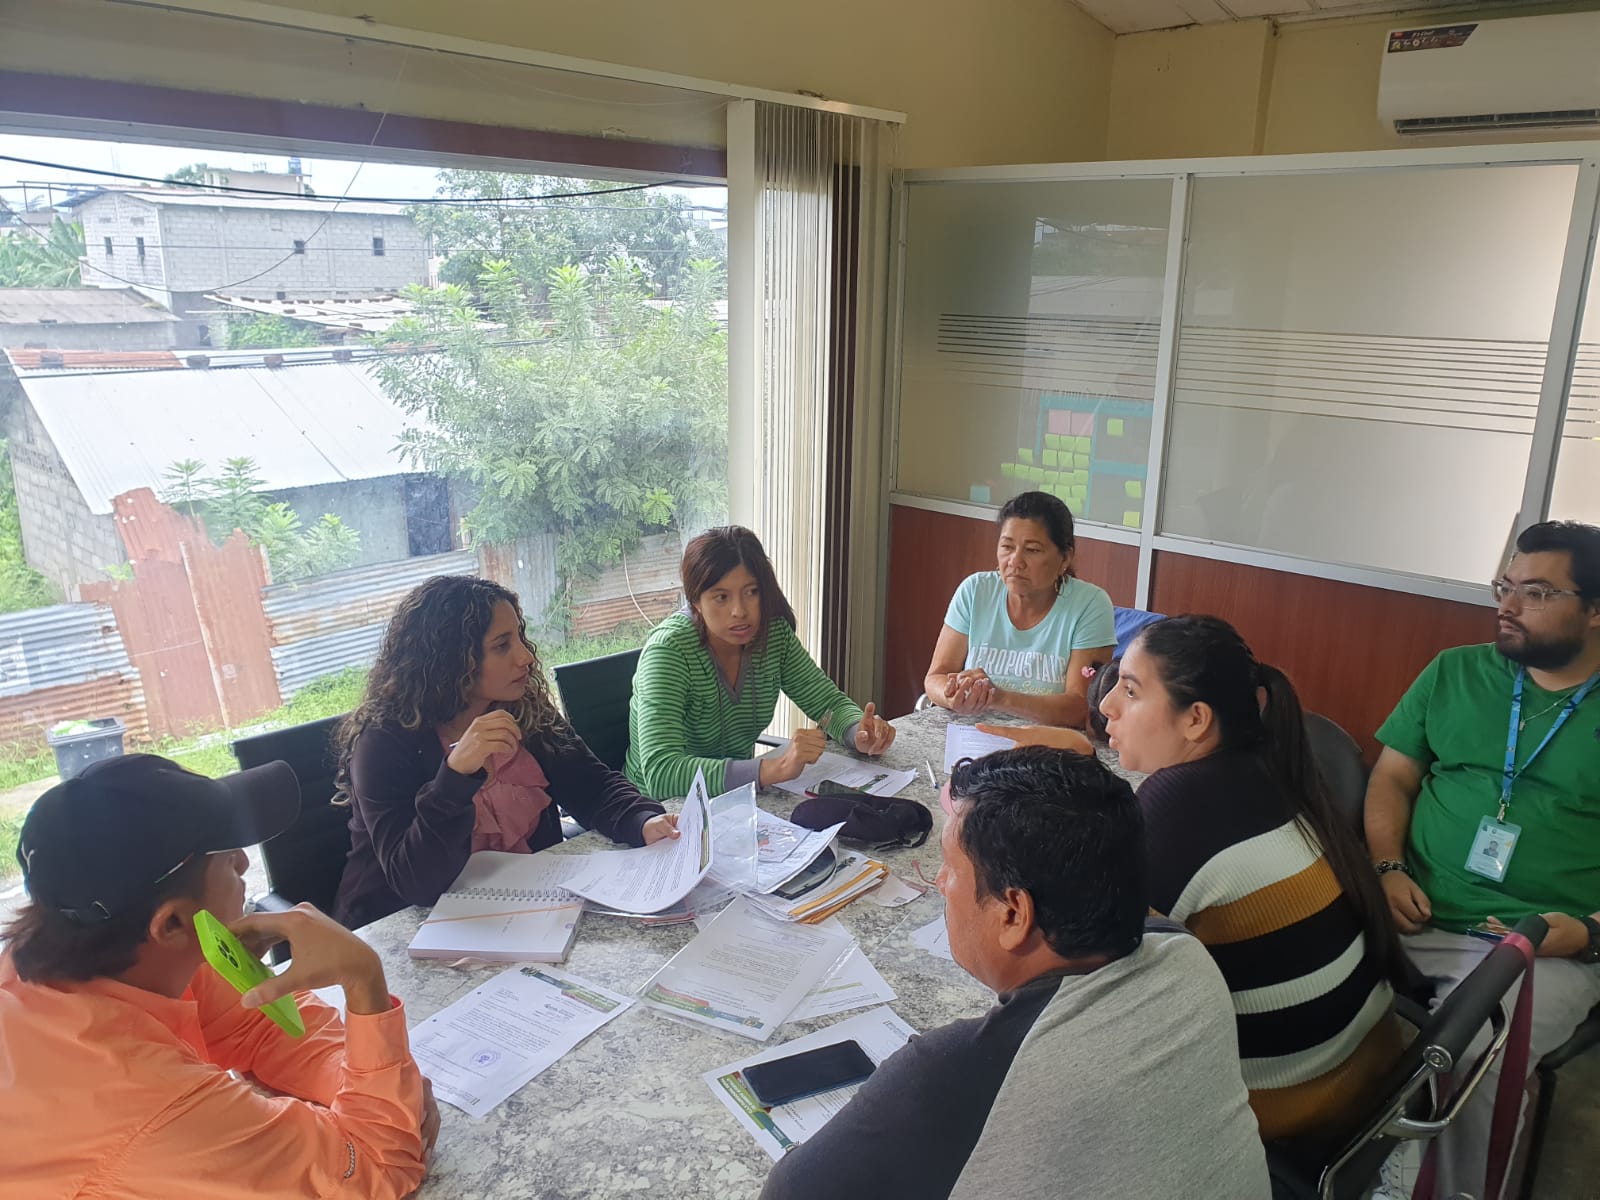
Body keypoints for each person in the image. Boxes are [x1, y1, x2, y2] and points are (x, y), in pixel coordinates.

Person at [760, 747, 1270, 1200]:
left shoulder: (951, 1076)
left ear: (1013, 914)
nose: (940, 882)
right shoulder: (1188, 956)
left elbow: (788, 1192)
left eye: (952, 868)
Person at [0, 754, 435, 1200]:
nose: (244, 863)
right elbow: (381, 1164)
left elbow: (256, 1026)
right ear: (171, 923)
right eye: (226, 857)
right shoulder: (154, 1113)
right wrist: (363, 979)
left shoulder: (77, 952)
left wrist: (371, 1084)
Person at [1089, 615, 1403, 1141]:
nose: (1106, 706)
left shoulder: (1177, 804)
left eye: (1131, 690)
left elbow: (1091, 962)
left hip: (1288, 1112)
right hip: (1365, 1072)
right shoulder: (1270, 768)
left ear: (1196, 720)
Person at [1365, 520, 1600, 1198]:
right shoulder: (1456, 672)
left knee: (1474, 1052)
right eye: (1505, 586)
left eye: (1537, 592)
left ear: (1594, 610)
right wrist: (1387, 868)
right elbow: (1392, 779)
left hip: (1541, 946)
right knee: (1302, 978)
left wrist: (1587, 934)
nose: (1508, 605)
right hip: (1412, 909)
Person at [332, 575, 676, 930]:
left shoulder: (522, 707)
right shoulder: (383, 741)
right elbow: (417, 883)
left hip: (519, 911)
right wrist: (456, 777)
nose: (525, 656)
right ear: (450, 660)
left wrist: (642, 820)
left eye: (520, 638)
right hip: (403, 928)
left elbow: (592, 786)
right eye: (502, 646)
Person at [626, 526, 895, 800]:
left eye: (752, 592)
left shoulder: (772, 634)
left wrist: (858, 732)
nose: (740, 611)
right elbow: (661, 773)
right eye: (721, 597)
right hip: (658, 810)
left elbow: (827, 705)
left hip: (735, 801)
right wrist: (773, 769)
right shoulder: (669, 651)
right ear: (695, 601)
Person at [923, 490, 1115, 727]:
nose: (1015, 561)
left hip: (1046, 744)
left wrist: (998, 697)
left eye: (1032, 550)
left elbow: (1080, 708)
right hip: (971, 735)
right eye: (1007, 546)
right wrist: (953, 695)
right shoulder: (975, 591)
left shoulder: (1090, 605)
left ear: (1065, 558)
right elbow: (936, 677)